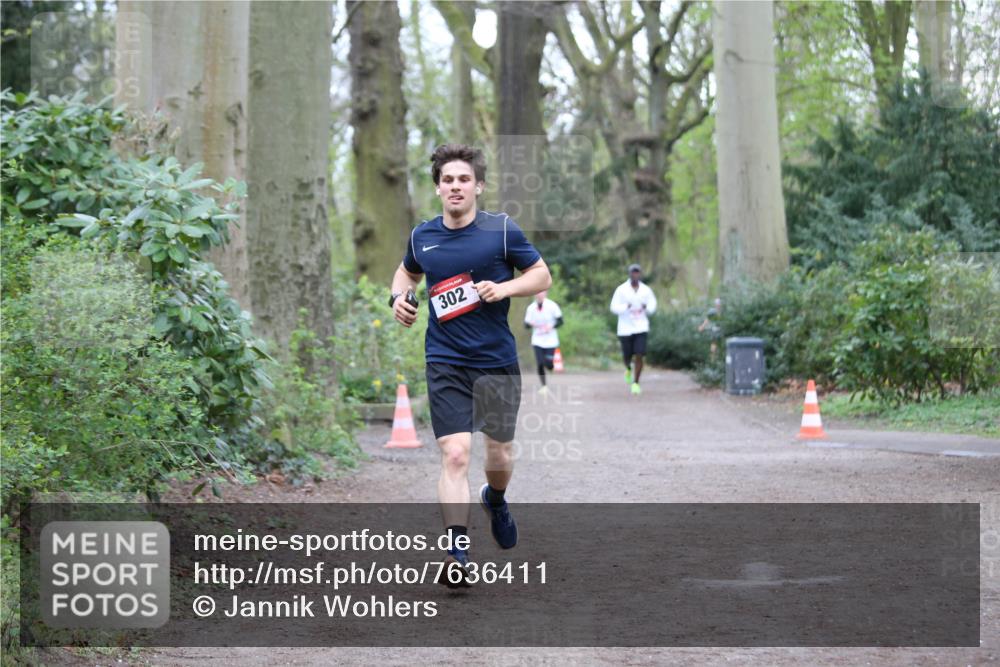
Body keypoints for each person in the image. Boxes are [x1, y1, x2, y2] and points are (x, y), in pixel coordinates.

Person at [390, 143, 551, 587]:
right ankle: (457, 552)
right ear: (438, 188)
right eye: (447, 180)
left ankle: (495, 500)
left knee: (497, 452)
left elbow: (542, 275)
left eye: (464, 179)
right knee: (456, 453)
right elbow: (406, 274)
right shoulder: (423, 236)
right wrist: (398, 300)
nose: (455, 186)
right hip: (445, 359)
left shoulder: (501, 231)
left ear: (478, 186)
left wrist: (506, 290)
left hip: (496, 360)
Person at [610, 263, 657, 395]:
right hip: (625, 328)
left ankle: (636, 383)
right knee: (627, 355)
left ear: (640, 274)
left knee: (639, 354)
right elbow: (613, 307)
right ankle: (628, 368)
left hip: (641, 326)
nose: (635, 275)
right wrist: (626, 306)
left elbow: (653, 306)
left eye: (637, 273)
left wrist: (646, 307)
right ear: (629, 274)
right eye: (633, 272)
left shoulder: (646, 290)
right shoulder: (621, 290)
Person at [523, 290, 563, 394]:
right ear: (535, 294)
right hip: (537, 340)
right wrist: (530, 324)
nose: (539, 294)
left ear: (546, 293)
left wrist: (551, 326)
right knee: (540, 363)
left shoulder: (552, 306)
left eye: (542, 292)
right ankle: (544, 386)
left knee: (549, 364)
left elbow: (560, 321)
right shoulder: (531, 308)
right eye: (537, 292)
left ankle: (551, 367)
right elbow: (526, 325)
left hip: (551, 340)